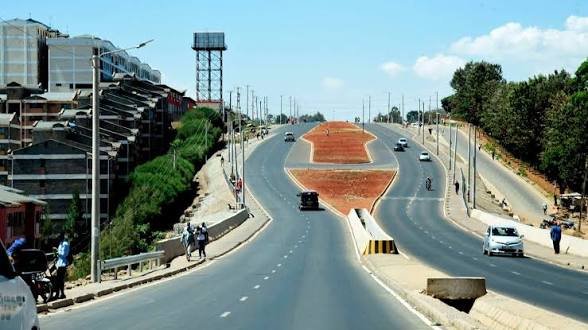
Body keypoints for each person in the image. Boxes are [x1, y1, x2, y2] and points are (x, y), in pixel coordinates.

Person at [53, 233, 70, 300]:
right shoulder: (60, 244)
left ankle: (61, 293)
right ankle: (58, 293)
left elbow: (64, 254)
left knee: (60, 279)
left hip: (63, 264)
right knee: (58, 279)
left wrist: (57, 252)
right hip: (59, 264)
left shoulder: (65, 244)